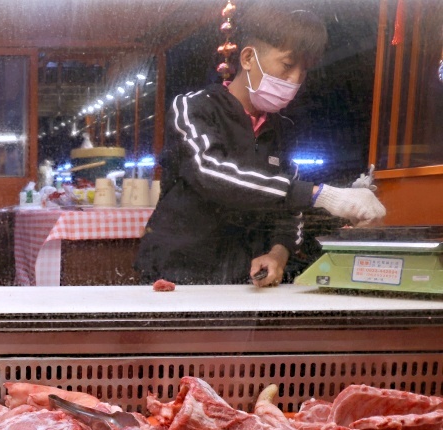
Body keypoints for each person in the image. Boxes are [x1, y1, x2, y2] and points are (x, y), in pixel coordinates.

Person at [134, 4, 387, 287]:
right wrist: (321, 195)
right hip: (177, 270)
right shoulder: (193, 107)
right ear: (247, 58)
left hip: (243, 278)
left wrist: (277, 255)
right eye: (288, 65)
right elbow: (210, 172)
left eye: (303, 72)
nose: (295, 80)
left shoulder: (282, 129)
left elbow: (289, 212)